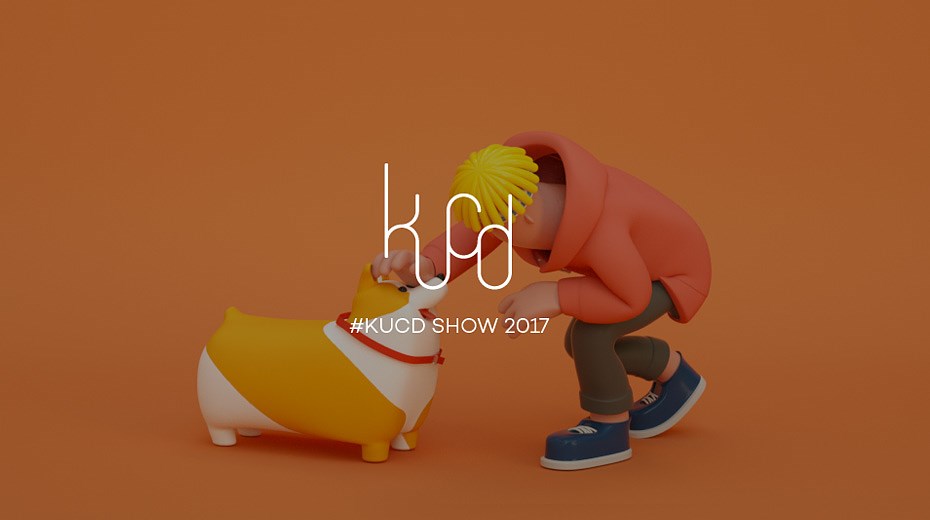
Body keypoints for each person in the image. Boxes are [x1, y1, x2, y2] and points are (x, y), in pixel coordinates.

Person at [372, 131, 711, 470]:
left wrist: (556, 295)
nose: (494, 236)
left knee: (591, 336)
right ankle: (675, 377)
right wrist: (428, 265)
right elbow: (473, 234)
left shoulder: (604, 233)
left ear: (526, 219)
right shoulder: (526, 188)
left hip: (670, 275)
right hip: (635, 268)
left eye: (499, 229)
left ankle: (609, 429)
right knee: (578, 342)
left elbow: (631, 298)